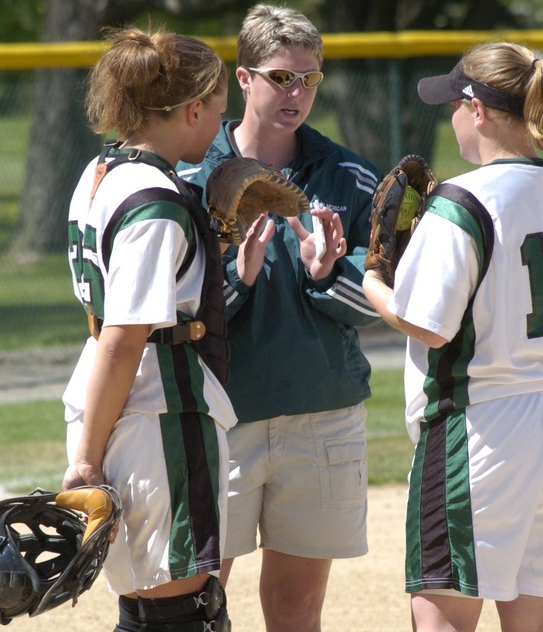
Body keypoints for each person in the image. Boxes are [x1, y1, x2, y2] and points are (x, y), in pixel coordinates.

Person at [363, 41, 543, 632]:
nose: (449, 117)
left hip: (482, 429)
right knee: (533, 616)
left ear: (478, 109)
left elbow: (425, 322)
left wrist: (372, 278)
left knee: (442, 611)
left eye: (453, 104)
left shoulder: (463, 200)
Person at [176, 4, 383, 631]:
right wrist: (236, 279)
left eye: (310, 79)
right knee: (197, 598)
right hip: (219, 414)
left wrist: (326, 276)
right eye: (280, 77)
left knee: (297, 606)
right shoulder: (191, 171)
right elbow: (175, 310)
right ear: (243, 80)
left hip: (320, 414)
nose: (297, 93)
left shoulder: (346, 176)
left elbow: (375, 307)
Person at [61, 26, 236, 632]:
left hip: (109, 400)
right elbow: (126, 336)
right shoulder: (156, 201)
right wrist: (86, 463)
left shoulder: (99, 171)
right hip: (156, 410)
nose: (218, 127)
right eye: (216, 112)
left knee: (147, 600)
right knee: (180, 608)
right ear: (191, 110)